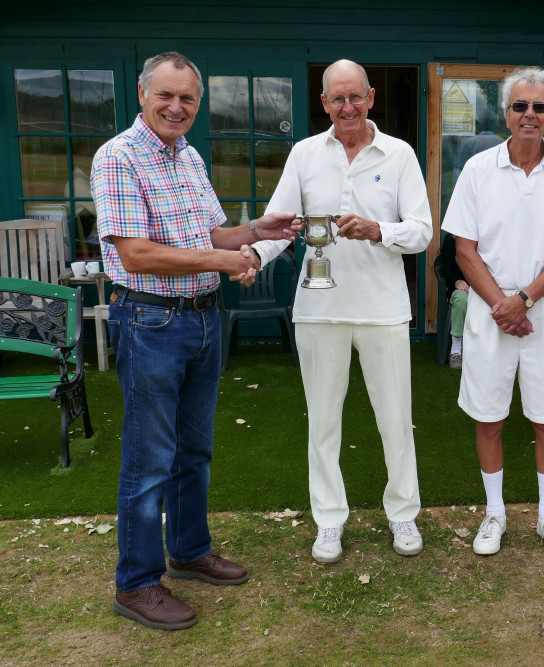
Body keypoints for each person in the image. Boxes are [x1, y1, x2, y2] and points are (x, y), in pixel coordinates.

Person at [90, 51, 301, 631]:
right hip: (151, 321)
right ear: (142, 95)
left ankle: (188, 551)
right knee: (149, 460)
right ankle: (135, 583)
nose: (176, 107)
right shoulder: (118, 158)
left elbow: (212, 232)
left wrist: (260, 229)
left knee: (194, 452)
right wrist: (225, 259)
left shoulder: (189, 156)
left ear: (197, 104)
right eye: (166, 96)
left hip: (203, 319)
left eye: (187, 98)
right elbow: (136, 253)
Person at [251, 60, 432, 564]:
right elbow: (278, 226)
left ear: (371, 98)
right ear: (325, 103)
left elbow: (422, 232)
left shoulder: (399, 154)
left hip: (382, 309)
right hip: (319, 306)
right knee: (323, 422)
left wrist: (378, 230)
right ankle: (329, 520)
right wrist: (250, 257)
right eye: (337, 99)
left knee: (395, 420)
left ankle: (403, 514)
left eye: (355, 97)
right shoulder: (305, 153)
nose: (347, 107)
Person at [442, 67, 544, 558]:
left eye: (539, 107)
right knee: (489, 417)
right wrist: (503, 306)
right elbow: (463, 248)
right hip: (489, 308)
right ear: (506, 112)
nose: (529, 114)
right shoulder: (478, 168)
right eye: (520, 106)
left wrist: (522, 301)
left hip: (541, 310)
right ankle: (495, 513)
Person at [440, 232, 470, 370]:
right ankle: (456, 349)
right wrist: (456, 281)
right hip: (459, 287)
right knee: (462, 299)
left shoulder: (487, 235)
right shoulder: (450, 239)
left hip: (483, 287)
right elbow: (445, 267)